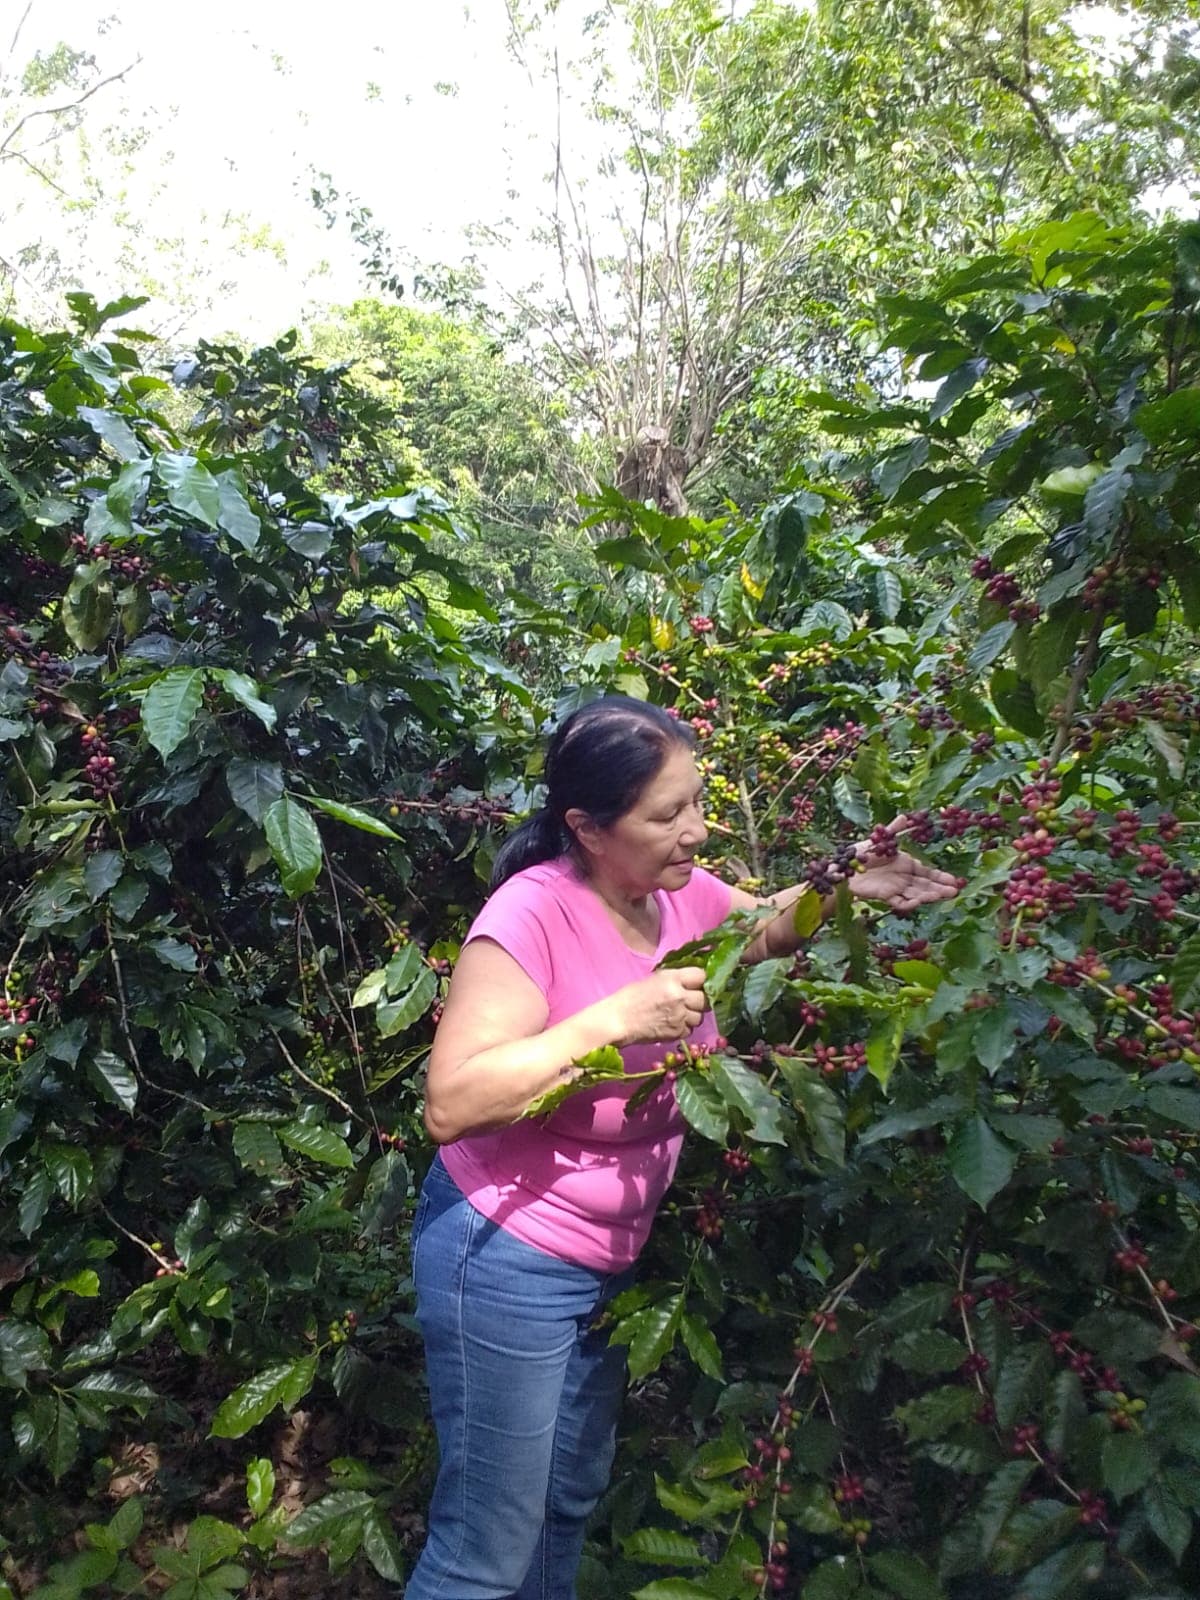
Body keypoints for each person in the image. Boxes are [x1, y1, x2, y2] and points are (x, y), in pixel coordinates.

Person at [405, 695, 958, 1600]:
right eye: (669, 815)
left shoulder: (675, 891)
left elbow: (759, 926)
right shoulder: (532, 915)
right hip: (504, 1254)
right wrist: (612, 1019)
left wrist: (843, 882)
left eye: (699, 802)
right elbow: (453, 1102)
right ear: (587, 826)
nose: (697, 830)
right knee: (485, 1550)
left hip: (605, 1260)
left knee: (567, 1502)